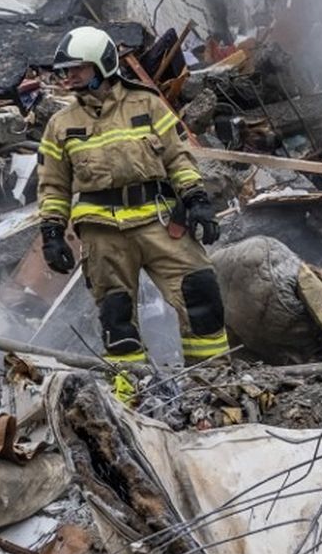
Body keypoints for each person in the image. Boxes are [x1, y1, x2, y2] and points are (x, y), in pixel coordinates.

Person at [37, 26, 228, 402]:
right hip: (102, 233)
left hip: (159, 222)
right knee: (117, 318)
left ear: (102, 66)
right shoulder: (60, 125)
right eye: (66, 70)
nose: (69, 76)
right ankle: (130, 397)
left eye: (78, 68)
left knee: (201, 294)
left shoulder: (147, 104)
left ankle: (215, 385)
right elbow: (53, 186)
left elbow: (177, 157)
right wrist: (52, 233)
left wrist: (196, 199)